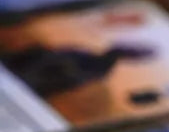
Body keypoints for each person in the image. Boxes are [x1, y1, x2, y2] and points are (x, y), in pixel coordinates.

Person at [0, 43, 155, 98]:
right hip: (23, 69)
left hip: (32, 80)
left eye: (135, 52)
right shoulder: (86, 53)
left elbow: (72, 79)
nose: (128, 49)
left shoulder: (102, 69)